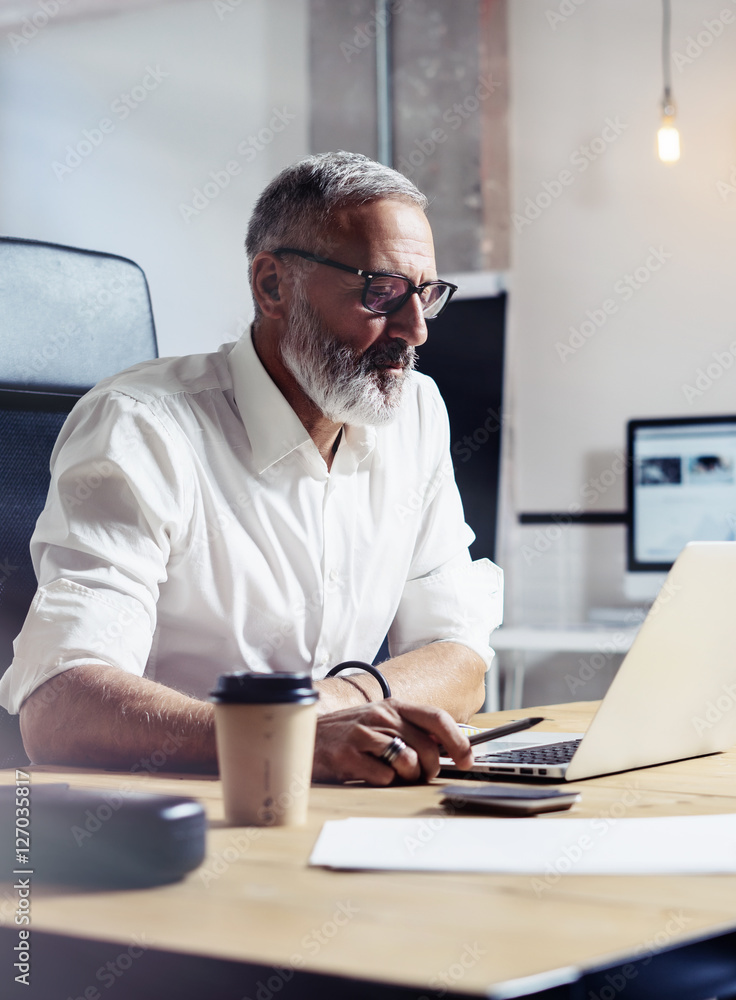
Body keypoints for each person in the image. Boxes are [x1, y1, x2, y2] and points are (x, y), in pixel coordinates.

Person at [0, 151, 503, 784]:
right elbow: (58, 710)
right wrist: (283, 739)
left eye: (425, 296)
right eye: (382, 293)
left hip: (340, 801)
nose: (416, 330)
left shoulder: (416, 414)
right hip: (169, 819)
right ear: (272, 286)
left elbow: (459, 657)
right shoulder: (142, 425)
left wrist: (333, 707)